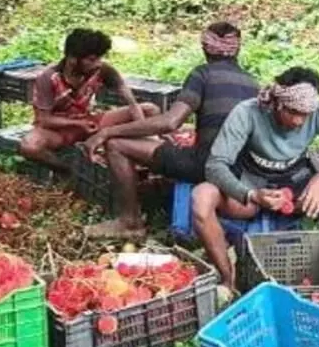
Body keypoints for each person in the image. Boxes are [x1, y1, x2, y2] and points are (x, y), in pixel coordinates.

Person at [83, 22, 259, 239]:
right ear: (237, 49)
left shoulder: (203, 74)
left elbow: (170, 122)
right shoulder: (252, 83)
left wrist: (107, 132)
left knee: (116, 144)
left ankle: (130, 222)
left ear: (205, 48)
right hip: (241, 171)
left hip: (207, 166)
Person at [196, 67, 319, 289]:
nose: (299, 121)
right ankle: (228, 278)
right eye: (292, 112)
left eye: (305, 114)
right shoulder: (247, 112)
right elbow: (215, 165)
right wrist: (251, 194)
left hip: (297, 191)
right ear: (276, 102)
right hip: (251, 189)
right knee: (202, 196)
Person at [22, 28, 159, 169]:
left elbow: (132, 103)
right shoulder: (49, 78)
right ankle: (69, 170)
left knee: (150, 110)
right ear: (72, 59)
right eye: (92, 59)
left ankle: (145, 161)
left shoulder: (103, 70)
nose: (98, 63)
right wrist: (78, 124)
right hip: (58, 131)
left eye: (100, 58)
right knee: (30, 146)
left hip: (89, 123)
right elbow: (44, 119)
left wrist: (143, 130)